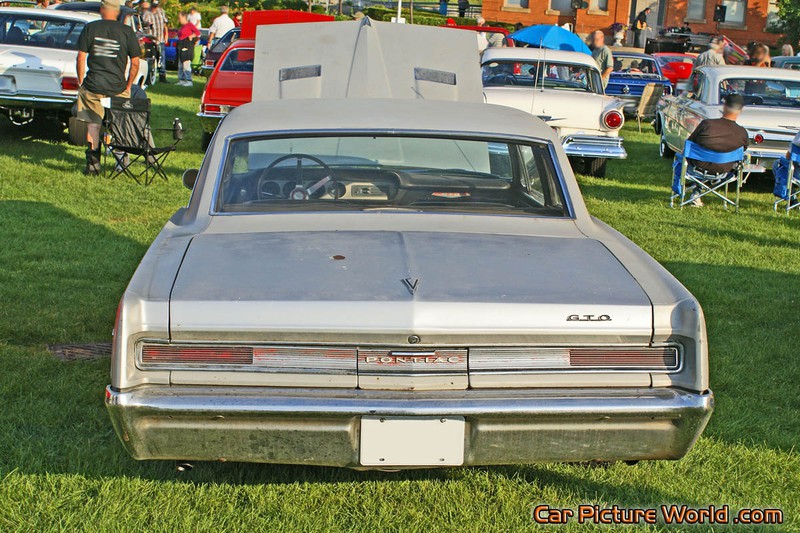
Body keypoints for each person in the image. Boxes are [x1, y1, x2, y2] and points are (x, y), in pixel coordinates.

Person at [75, 0, 141, 175]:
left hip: (93, 85)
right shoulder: (126, 31)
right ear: (118, 12)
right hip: (118, 87)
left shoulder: (91, 28)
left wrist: (81, 80)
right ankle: (121, 164)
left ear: (102, 10)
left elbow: (81, 57)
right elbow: (135, 62)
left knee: (93, 125)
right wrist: (128, 84)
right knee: (119, 126)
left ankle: (93, 165)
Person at [687, 93, 748, 175]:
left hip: (698, 167)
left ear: (724, 107)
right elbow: (742, 151)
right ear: (740, 110)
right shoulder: (742, 133)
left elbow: (690, 143)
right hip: (725, 170)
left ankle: (681, 186)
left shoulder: (707, 125)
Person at [141, 0, 168, 83]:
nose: (154, 8)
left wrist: (166, 35)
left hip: (160, 39)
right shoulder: (146, 13)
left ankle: (162, 76)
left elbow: (164, 25)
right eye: (153, 6)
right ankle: (149, 76)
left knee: (162, 58)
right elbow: (143, 26)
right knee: (151, 58)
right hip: (151, 40)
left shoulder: (161, 12)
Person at [176, 11, 200, 87]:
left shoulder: (189, 25)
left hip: (187, 45)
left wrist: (192, 36)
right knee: (180, 64)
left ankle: (189, 80)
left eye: (179, 18)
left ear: (184, 17)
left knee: (186, 63)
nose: (179, 19)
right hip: (180, 45)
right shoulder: (182, 26)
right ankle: (181, 79)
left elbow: (197, 32)